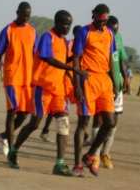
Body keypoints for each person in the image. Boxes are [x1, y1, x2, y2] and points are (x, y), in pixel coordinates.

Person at [5, 10, 90, 176]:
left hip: (58, 90)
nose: (67, 27)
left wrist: (75, 81)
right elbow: (49, 59)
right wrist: (73, 67)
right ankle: (13, 151)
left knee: (63, 124)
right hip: (41, 88)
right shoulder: (47, 37)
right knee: (35, 124)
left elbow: (62, 64)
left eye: (69, 25)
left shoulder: (64, 42)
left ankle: (59, 165)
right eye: (65, 24)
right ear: (57, 23)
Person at [72, 4, 118, 177]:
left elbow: (111, 59)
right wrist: (77, 85)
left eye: (104, 21)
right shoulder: (84, 32)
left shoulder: (110, 34)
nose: (101, 23)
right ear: (94, 17)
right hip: (87, 78)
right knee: (83, 123)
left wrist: (114, 82)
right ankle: (77, 164)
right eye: (98, 20)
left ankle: (90, 154)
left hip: (104, 80)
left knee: (110, 122)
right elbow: (76, 59)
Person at [0, 2, 38, 156]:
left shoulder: (32, 32)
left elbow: (37, 56)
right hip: (12, 77)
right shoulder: (8, 30)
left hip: (27, 79)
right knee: (12, 112)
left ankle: (3, 136)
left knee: (24, 114)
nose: (25, 18)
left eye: (28, 15)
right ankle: (10, 148)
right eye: (23, 14)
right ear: (17, 12)